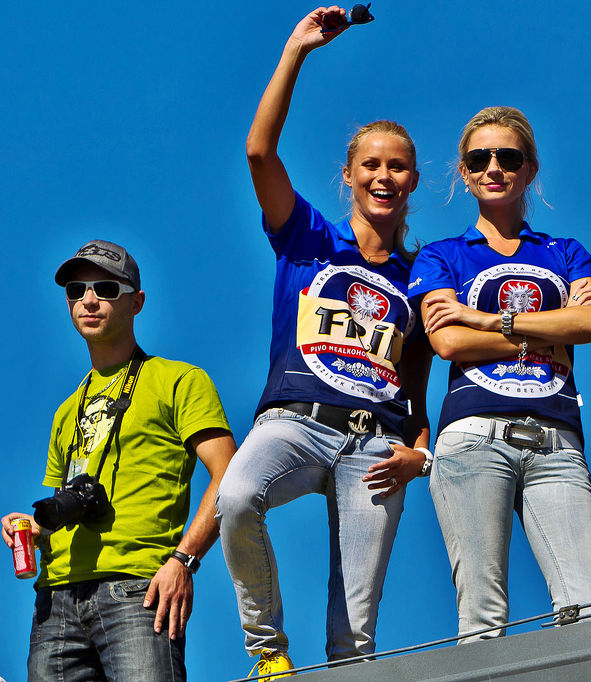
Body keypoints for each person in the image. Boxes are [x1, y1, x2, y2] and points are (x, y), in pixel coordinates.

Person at [215, 6, 431, 676]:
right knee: (236, 498)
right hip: (294, 422)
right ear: (348, 174)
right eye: (371, 165)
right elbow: (259, 152)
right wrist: (296, 51)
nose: (384, 177)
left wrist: (419, 455)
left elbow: (417, 393)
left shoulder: (420, 279)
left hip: (375, 444)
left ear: (414, 181)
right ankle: (268, 652)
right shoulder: (309, 238)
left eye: (398, 167)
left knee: (355, 636)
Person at [409, 106, 591, 642]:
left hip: (558, 442)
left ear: (531, 169)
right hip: (472, 437)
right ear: (464, 173)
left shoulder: (566, 252)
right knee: (482, 618)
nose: (494, 168)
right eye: (479, 159)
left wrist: (486, 320)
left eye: (508, 157)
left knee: (588, 613)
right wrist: (550, 329)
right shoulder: (440, 255)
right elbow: (448, 342)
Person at [1, 239, 236, 681]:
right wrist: (36, 529)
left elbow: (231, 476)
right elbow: (66, 503)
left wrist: (184, 561)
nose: (89, 300)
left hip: (136, 591)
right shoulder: (66, 410)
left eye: (106, 289)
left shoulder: (179, 380)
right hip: (55, 602)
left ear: (136, 302)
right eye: (76, 290)